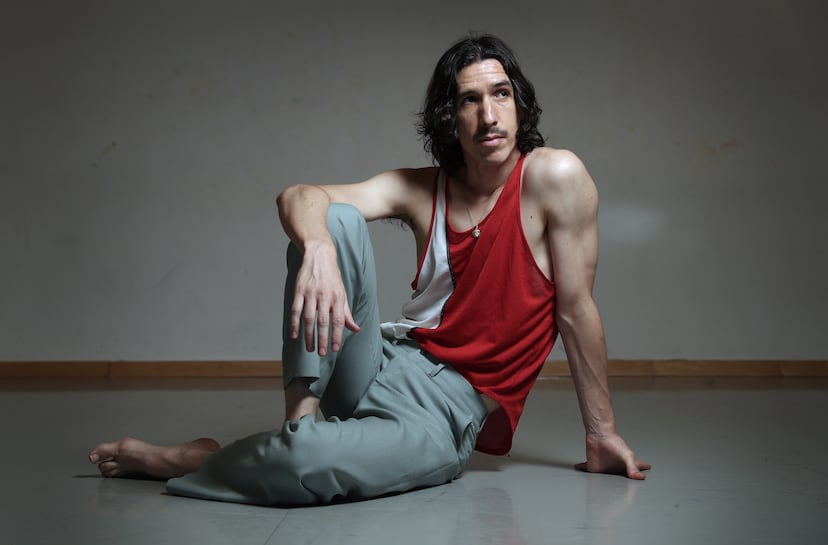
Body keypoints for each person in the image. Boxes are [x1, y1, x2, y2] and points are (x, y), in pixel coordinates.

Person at [89, 34, 649, 505]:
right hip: (378, 362)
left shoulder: (555, 177)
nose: (489, 115)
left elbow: (575, 311)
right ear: (449, 117)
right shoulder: (421, 189)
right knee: (333, 219)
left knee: (305, 466)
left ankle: (203, 458)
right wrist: (317, 248)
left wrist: (601, 434)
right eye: (470, 100)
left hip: (441, 415)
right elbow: (298, 195)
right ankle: (300, 422)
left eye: (501, 94)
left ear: (518, 103)